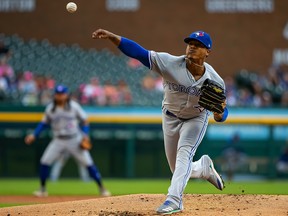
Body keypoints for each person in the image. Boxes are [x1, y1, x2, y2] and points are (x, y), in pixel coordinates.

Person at [92, 29, 228, 214]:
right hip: (170, 117)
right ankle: (203, 168)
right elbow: (139, 53)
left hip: (196, 118)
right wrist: (114, 38)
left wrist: (220, 114)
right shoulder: (169, 63)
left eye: (198, 46)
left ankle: (174, 200)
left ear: (208, 52)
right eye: (190, 44)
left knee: (184, 155)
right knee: (177, 168)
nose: (192, 48)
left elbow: (222, 114)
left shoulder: (215, 81)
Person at [24, 84, 110, 197]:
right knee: (45, 161)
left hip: (75, 139)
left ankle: (102, 188)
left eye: (62, 94)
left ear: (66, 95)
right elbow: (43, 124)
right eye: (58, 94)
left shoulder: (74, 106)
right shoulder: (50, 108)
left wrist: (85, 135)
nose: (60, 96)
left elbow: (85, 121)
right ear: (55, 95)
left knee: (88, 163)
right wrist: (34, 135)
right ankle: (42, 189)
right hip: (58, 140)